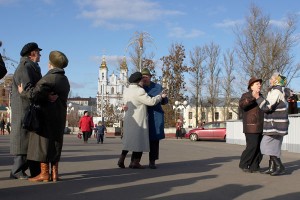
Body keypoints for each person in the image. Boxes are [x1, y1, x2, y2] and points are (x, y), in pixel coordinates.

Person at [18, 50, 70, 182]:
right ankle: (55, 174)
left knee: (43, 144)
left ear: (50, 64)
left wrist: (22, 92)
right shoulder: (64, 79)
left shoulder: (48, 78)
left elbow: (34, 95)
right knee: (56, 144)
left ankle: (44, 174)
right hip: (59, 117)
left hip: (45, 116)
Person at [117, 72, 166, 169]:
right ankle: (135, 162)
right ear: (139, 81)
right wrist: (160, 96)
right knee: (139, 141)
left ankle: (122, 159)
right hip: (139, 120)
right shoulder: (139, 91)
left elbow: (124, 104)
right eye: (142, 80)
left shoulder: (126, 90)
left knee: (129, 140)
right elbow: (151, 102)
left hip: (129, 119)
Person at [10, 42, 43, 180]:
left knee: (27, 139)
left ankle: (27, 170)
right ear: (32, 54)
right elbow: (27, 88)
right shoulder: (25, 67)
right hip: (24, 108)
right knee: (22, 138)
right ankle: (16, 171)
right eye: (38, 52)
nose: (40, 55)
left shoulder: (31, 67)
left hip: (29, 108)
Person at [253, 72, 290, 176]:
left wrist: (257, 97)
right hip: (279, 125)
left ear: (277, 80)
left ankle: (279, 166)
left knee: (264, 145)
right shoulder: (279, 91)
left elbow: (266, 107)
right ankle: (272, 167)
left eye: (272, 78)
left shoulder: (276, 92)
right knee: (274, 147)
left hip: (274, 125)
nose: (270, 80)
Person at [141, 68, 168, 169]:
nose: (145, 79)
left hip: (156, 116)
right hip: (143, 115)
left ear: (150, 77)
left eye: (146, 77)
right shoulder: (140, 88)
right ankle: (135, 161)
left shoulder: (158, 87)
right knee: (140, 138)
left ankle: (152, 161)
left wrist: (164, 97)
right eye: (143, 77)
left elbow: (164, 102)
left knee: (154, 139)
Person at [239, 77, 264, 173]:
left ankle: (255, 166)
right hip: (251, 126)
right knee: (252, 146)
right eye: (257, 84)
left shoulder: (261, 96)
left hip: (261, 126)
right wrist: (253, 97)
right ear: (251, 86)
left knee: (260, 147)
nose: (260, 85)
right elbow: (242, 105)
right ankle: (244, 164)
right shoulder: (246, 95)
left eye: (260, 84)